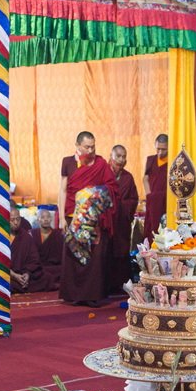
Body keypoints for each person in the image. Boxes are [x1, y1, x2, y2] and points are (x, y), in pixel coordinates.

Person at [58, 131, 118, 306]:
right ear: (77, 146)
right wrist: (61, 217)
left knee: (93, 259)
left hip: (93, 219)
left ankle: (91, 295)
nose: (91, 150)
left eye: (93, 146)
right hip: (72, 216)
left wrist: (92, 194)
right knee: (74, 256)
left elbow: (112, 187)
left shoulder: (101, 164)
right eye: (87, 147)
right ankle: (73, 295)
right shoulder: (68, 162)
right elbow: (62, 190)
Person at [108, 144, 139, 295]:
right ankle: (106, 285)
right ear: (111, 157)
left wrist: (121, 206)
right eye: (118, 156)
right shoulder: (104, 174)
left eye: (124, 156)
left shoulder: (128, 177)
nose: (121, 159)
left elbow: (134, 199)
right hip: (107, 223)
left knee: (121, 253)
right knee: (106, 253)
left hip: (122, 224)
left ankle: (121, 284)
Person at [8, 207, 44, 293]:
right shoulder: (1, 236)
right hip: (8, 274)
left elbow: (34, 259)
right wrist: (15, 276)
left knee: (44, 277)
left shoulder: (26, 237)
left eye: (18, 219)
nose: (16, 222)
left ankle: (23, 281)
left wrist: (27, 274)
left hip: (23, 273)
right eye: (12, 220)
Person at [142, 134, 169, 238]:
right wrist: (150, 196)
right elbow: (145, 178)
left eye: (164, 149)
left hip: (166, 203)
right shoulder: (151, 160)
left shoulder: (173, 162)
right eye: (158, 149)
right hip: (152, 202)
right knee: (150, 231)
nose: (160, 152)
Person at [34, 206, 63, 292]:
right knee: (35, 272)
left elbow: (62, 255)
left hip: (55, 267)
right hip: (40, 267)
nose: (46, 219)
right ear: (38, 219)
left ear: (51, 219)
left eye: (48, 217)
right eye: (42, 217)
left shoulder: (58, 234)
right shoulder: (33, 234)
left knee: (64, 270)